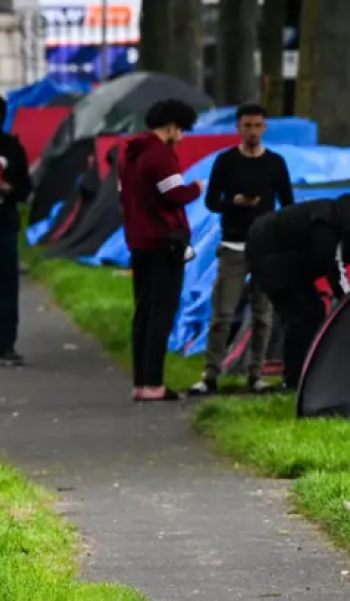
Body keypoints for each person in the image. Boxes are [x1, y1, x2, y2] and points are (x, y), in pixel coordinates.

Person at [246, 193, 350, 389]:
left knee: (310, 314)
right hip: (270, 257)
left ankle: (301, 375)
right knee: (303, 315)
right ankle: (296, 379)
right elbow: (333, 270)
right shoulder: (326, 226)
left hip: (287, 259)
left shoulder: (349, 224)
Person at [189, 103, 294, 396]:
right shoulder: (225, 161)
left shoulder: (275, 163)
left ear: (265, 128)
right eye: (247, 126)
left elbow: (287, 204)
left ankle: (256, 374)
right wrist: (232, 202)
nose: (252, 132)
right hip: (233, 243)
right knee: (222, 313)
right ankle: (210, 374)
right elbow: (210, 202)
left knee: (263, 315)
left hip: (266, 247)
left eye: (257, 126)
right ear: (238, 128)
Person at [119, 99, 203, 402]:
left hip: (138, 241)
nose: (181, 138)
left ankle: (140, 382)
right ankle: (154, 383)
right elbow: (173, 193)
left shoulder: (129, 154)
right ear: (170, 127)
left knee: (143, 312)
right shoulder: (160, 155)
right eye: (180, 131)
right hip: (164, 241)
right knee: (162, 314)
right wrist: (196, 187)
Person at [0, 95, 32, 367]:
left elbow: (25, 188)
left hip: (4, 223)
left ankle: (6, 344)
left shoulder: (12, 148)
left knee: (7, 285)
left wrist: (10, 190)